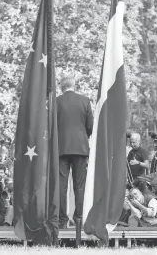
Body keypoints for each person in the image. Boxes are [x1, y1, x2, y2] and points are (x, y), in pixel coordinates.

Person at [57, 74, 93, 229]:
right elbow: (90, 126)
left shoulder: (55, 101)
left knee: (61, 186)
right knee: (79, 186)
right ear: (74, 86)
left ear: (61, 87)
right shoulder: (85, 101)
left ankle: (62, 220)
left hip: (61, 148)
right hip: (80, 147)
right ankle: (79, 219)